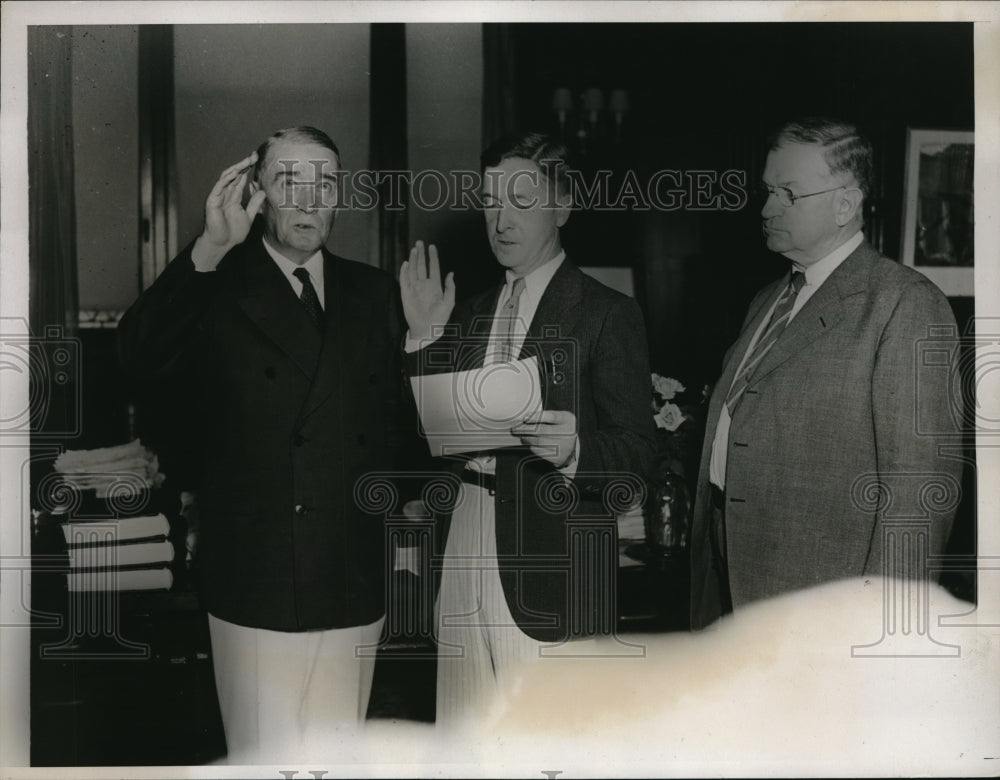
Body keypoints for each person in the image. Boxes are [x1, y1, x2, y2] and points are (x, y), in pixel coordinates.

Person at [118, 126, 402, 761]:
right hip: (255, 582)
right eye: (289, 182)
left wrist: (432, 345)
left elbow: (400, 436)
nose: (308, 201)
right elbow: (136, 356)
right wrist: (210, 248)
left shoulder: (375, 292)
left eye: (324, 183)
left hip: (351, 578)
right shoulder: (215, 282)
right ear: (258, 196)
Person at [399, 132, 658, 725]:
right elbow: (431, 435)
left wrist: (575, 450)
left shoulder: (606, 313)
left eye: (520, 199)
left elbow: (639, 452)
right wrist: (425, 340)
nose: (500, 218)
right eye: (490, 201)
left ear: (562, 207)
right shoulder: (468, 311)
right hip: (463, 540)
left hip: (552, 569)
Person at [689, 117, 962, 630]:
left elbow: (918, 499)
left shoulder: (904, 303)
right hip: (735, 581)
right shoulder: (768, 300)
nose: (767, 208)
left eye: (788, 194)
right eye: (768, 190)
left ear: (845, 203)